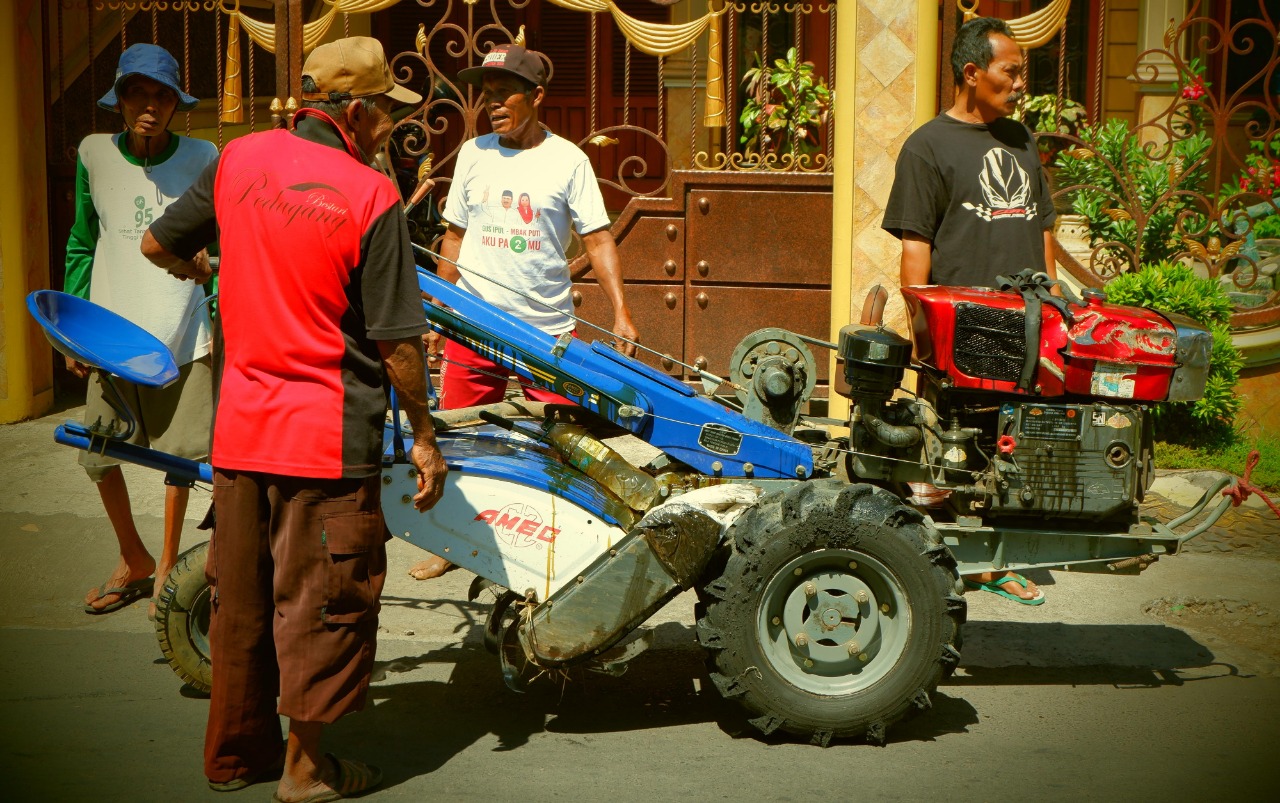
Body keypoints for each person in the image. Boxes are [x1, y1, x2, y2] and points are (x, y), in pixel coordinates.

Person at [141, 36, 448, 800]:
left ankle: (237, 758)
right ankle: (307, 771)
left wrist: (204, 267)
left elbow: (155, 243)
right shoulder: (370, 195)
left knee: (240, 598)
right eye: (382, 113)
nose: (386, 128)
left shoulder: (237, 160)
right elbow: (396, 343)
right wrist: (425, 431)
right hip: (327, 438)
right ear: (352, 111)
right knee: (326, 601)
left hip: (241, 433)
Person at [409, 43, 638, 581]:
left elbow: (599, 239)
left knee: (564, 442)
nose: (492, 103)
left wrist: (622, 312)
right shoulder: (473, 154)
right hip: (473, 323)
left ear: (536, 96)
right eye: (486, 94)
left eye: (503, 92)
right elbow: (454, 237)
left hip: (545, 333)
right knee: (459, 441)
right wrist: (441, 312)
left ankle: (567, 548)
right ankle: (453, 540)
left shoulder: (568, 160)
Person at [881, 16, 1053, 605]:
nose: (1020, 83)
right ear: (972, 72)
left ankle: (1004, 548)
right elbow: (915, 247)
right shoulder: (927, 147)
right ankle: (959, 563)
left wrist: (1053, 306)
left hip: (1029, 321)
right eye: (1012, 71)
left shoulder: (1022, 140)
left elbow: (1043, 225)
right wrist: (924, 336)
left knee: (1016, 439)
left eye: (1021, 72)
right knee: (955, 444)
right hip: (966, 326)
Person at [64, 43, 217, 618]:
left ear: (177, 103)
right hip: (108, 336)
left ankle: (171, 573)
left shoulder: (204, 156)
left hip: (181, 334)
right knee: (101, 455)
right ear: (119, 100)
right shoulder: (93, 154)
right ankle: (134, 556)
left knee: (179, 462)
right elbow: (83, 242)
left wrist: (216, 313)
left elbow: (219, 251)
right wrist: (70, 330)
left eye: (161, 95)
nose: (148, 107)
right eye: (137, 94)